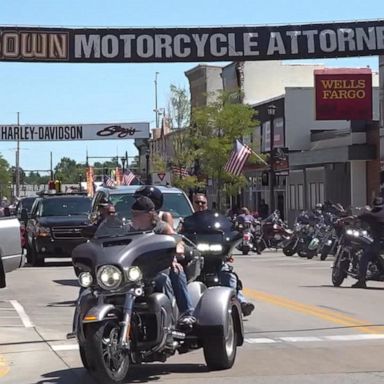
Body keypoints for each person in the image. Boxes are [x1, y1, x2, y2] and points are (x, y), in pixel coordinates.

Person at [130, 196, 195, 327]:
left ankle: (181, 316)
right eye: (133, 214)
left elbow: (177, 241)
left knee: (172, 275)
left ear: (149, 214)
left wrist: (176, 253)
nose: (134, 217)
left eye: (137, 214)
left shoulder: (162, 227)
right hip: (138, 271)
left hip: (160, 268)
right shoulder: (131, 229)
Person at [189, 194, 255, 316]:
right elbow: (182, 235)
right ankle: (187, 308)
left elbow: (227, 231)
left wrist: (228, 246)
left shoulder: (214, 220)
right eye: (197, 202)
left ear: (206, 204)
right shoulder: (189, 221)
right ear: (193, 204)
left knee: (229, 276)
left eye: (203, 203)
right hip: (196, 258)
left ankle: (242, 303)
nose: (200, 205)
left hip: (215, 256)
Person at [351, 196, 384, 288]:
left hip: (379, 242)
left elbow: (354, 218)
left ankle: (361, 280)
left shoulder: (370, 215)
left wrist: (342, 219)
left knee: (365, 257)